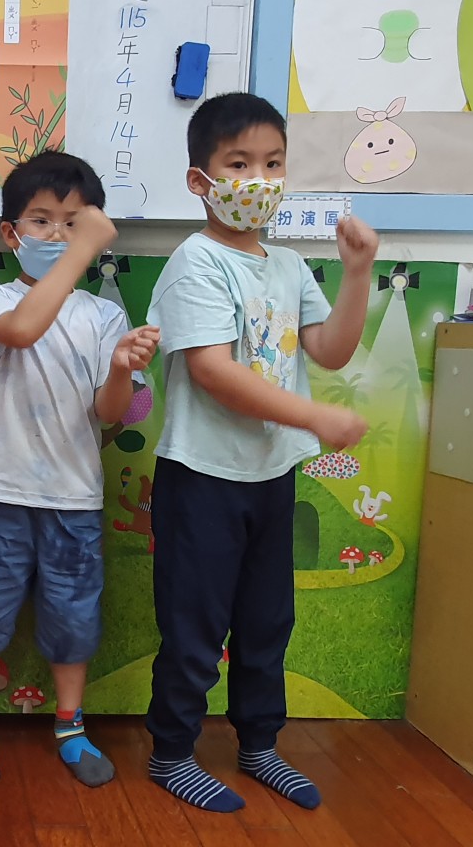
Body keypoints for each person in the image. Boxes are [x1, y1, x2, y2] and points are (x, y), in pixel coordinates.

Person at [144, 92, 378, 813]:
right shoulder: (196, 262)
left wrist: (359, 271)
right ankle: (172, 754)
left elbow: (329, 350)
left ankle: (259, 745)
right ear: (200, 180)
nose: (260, 179)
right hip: (203, 478)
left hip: (271, 476)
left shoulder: (289, 265)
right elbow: (215, 373)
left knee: (268, 621)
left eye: (273, 164)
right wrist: (313, 416)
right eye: (239, 163)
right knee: (194, 625)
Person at [0, 151, 159, 787]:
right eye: (42, 221)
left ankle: (70, 724)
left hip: (74, 498)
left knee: (73, 618)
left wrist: (119, 367)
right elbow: (21, 331)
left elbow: (109, 412)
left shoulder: (103, 315)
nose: (59, 235)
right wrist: (83, 248)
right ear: (10, 233)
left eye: (73, 223)